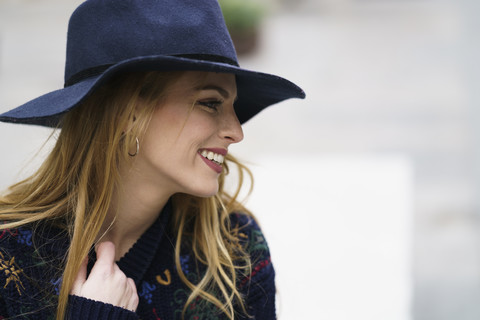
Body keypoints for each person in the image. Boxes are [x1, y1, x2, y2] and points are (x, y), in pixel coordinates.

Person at [0, 0, 305, 319]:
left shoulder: (234, 250)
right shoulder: (9, 253)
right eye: (211, 103)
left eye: (234, 107)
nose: (236, 131)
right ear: (128, 115)